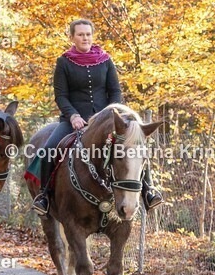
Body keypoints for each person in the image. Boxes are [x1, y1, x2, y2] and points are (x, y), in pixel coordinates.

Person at [30, 18, 162, 215]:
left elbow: (115, 91)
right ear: (72, 37)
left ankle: (148, 190)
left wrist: (111, 114)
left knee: (135, 146)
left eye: (88, 34)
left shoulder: (106, 60)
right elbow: (61, 96)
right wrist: (73, 115)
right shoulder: (64, 62)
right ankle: (44, 196)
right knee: (49, 149)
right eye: (81, 34)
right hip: (74, 120)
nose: (85, 38)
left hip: (107, 120)